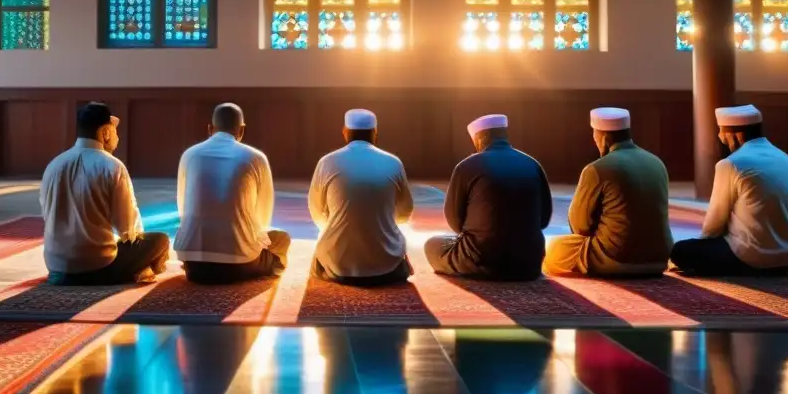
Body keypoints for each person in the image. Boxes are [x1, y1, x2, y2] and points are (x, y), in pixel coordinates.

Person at [40, 102, 170, 285]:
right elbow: (127, 228)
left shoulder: (54, 165)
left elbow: (47, 214)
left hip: (57, 267)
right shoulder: (111, 166)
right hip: (99, 267)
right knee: (160, 241)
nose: (117, 136)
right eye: (115, 131)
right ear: (105, 133)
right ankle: (138, 271)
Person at [543, 108, 673, 277]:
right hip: (660, 259)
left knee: (554, 248)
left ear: (602, 138)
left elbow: (580, 226)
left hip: (615, 259)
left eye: (594, 136)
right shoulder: (657, 163)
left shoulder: (596, 169)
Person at [671, 105, 788, 277]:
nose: (720, 138)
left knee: (680, 250)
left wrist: (702, 247)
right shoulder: (784, 158)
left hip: (752, 258)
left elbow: (714, 224)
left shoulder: (732, 163)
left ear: (735, 136)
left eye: (722, 134)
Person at [425, 114, 552, 280]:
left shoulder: (466, 166)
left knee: (432, 245)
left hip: (482, 262)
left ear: (480, 138)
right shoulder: (532, 164)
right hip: (529, 264)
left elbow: (455, 221)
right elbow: (544, 220)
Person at [174, 103, 291, 284]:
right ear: (242, 130)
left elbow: (183, 209)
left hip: (193, 264)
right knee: (281, 239)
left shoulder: (189, 155)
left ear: (209, 129)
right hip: (239, 265)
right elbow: (262, 216)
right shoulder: (256, 158)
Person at [308, 109, 415, 285]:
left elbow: (317, 213)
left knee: (321, 253)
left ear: (345, 132)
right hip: (387, 266)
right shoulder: (393, 162)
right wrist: (381, 221)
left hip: (337, 266)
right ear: (375, 133)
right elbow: (405, 214)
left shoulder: (326, 162)